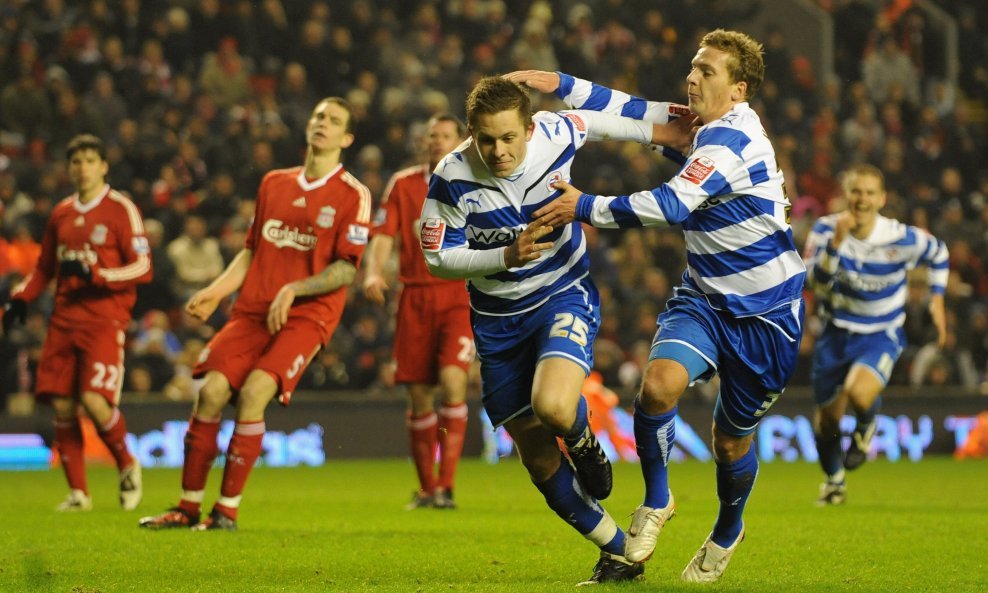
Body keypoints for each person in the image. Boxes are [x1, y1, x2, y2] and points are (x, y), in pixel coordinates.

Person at [509, 28, 806, 583]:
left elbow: (671, 204)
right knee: (657, 386)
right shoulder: (700, 122)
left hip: (767, 313)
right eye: (694, 66)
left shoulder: (733, 140)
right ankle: (657, 500)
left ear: (738, 89)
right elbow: (629, 110)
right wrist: (560, 84)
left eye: (707, 71)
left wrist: (585, 206)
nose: (692, 77)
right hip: (704, 297)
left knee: (730, 438)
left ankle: (727, 527)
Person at [420, 75, 694, 585]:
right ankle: (619, 551)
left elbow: (599, 122)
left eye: (508, 138)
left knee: (554, 408)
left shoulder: (554, 132)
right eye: (486, 139)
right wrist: (504, 254)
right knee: (537, 456)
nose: (498, 150)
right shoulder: (450, 176)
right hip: (498, 322)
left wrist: (661, 134)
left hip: (562, 295)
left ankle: (584, 438)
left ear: (528, 127)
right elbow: (437, 257)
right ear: (471, 133)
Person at [138, 97, 372, 531]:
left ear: (347, 138)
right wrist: (214, 290)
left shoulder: (353, 194)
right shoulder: (274, 183)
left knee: (254, 392)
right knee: (208, 393)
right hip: (252, 310)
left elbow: (346, 268)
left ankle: (225, 511)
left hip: (308, 315)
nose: (323, 124)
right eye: (319, 115)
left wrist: (295, 287)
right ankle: (187, 508)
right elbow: (251, 250)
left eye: (334, 121)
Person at [1, 134, 151, 511]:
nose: (82, 168)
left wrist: (97, 274)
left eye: (89, 160)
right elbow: (44, 268)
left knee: (94, 401)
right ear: (69, 169)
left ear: (104, 166)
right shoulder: (62, 213)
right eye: (76, 161)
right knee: (63, 406)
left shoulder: (121, 208)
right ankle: (79, 494)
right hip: (64, 319)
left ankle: (127, 464)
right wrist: (22, 298)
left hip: (103, 319)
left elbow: (144, 265)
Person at [804, 164, 947, 505]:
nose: (862, 199)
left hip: (881, 332)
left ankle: (865, 428)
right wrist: (837, 244)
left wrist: (937, 300)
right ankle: (834, 482)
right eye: (856, 191)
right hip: (836, 332)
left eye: (869, 193)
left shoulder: (901, 236)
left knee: (860, 393)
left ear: (881, 199)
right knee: (826, 422)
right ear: (845, 195)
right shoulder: (825, 230)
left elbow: (939, 252)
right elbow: (814, 285)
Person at [362, 114, 473, 510]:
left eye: (445, 135)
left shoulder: (475, 183)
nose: (437, 141)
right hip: (414, 297)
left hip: (459, 296)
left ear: (461, 141)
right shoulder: (404, 184)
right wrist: (374, 272)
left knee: (452, 381)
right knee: (419, 394)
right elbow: (383, 234)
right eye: (432, 136)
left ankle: (447, 485)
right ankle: (427, 488)